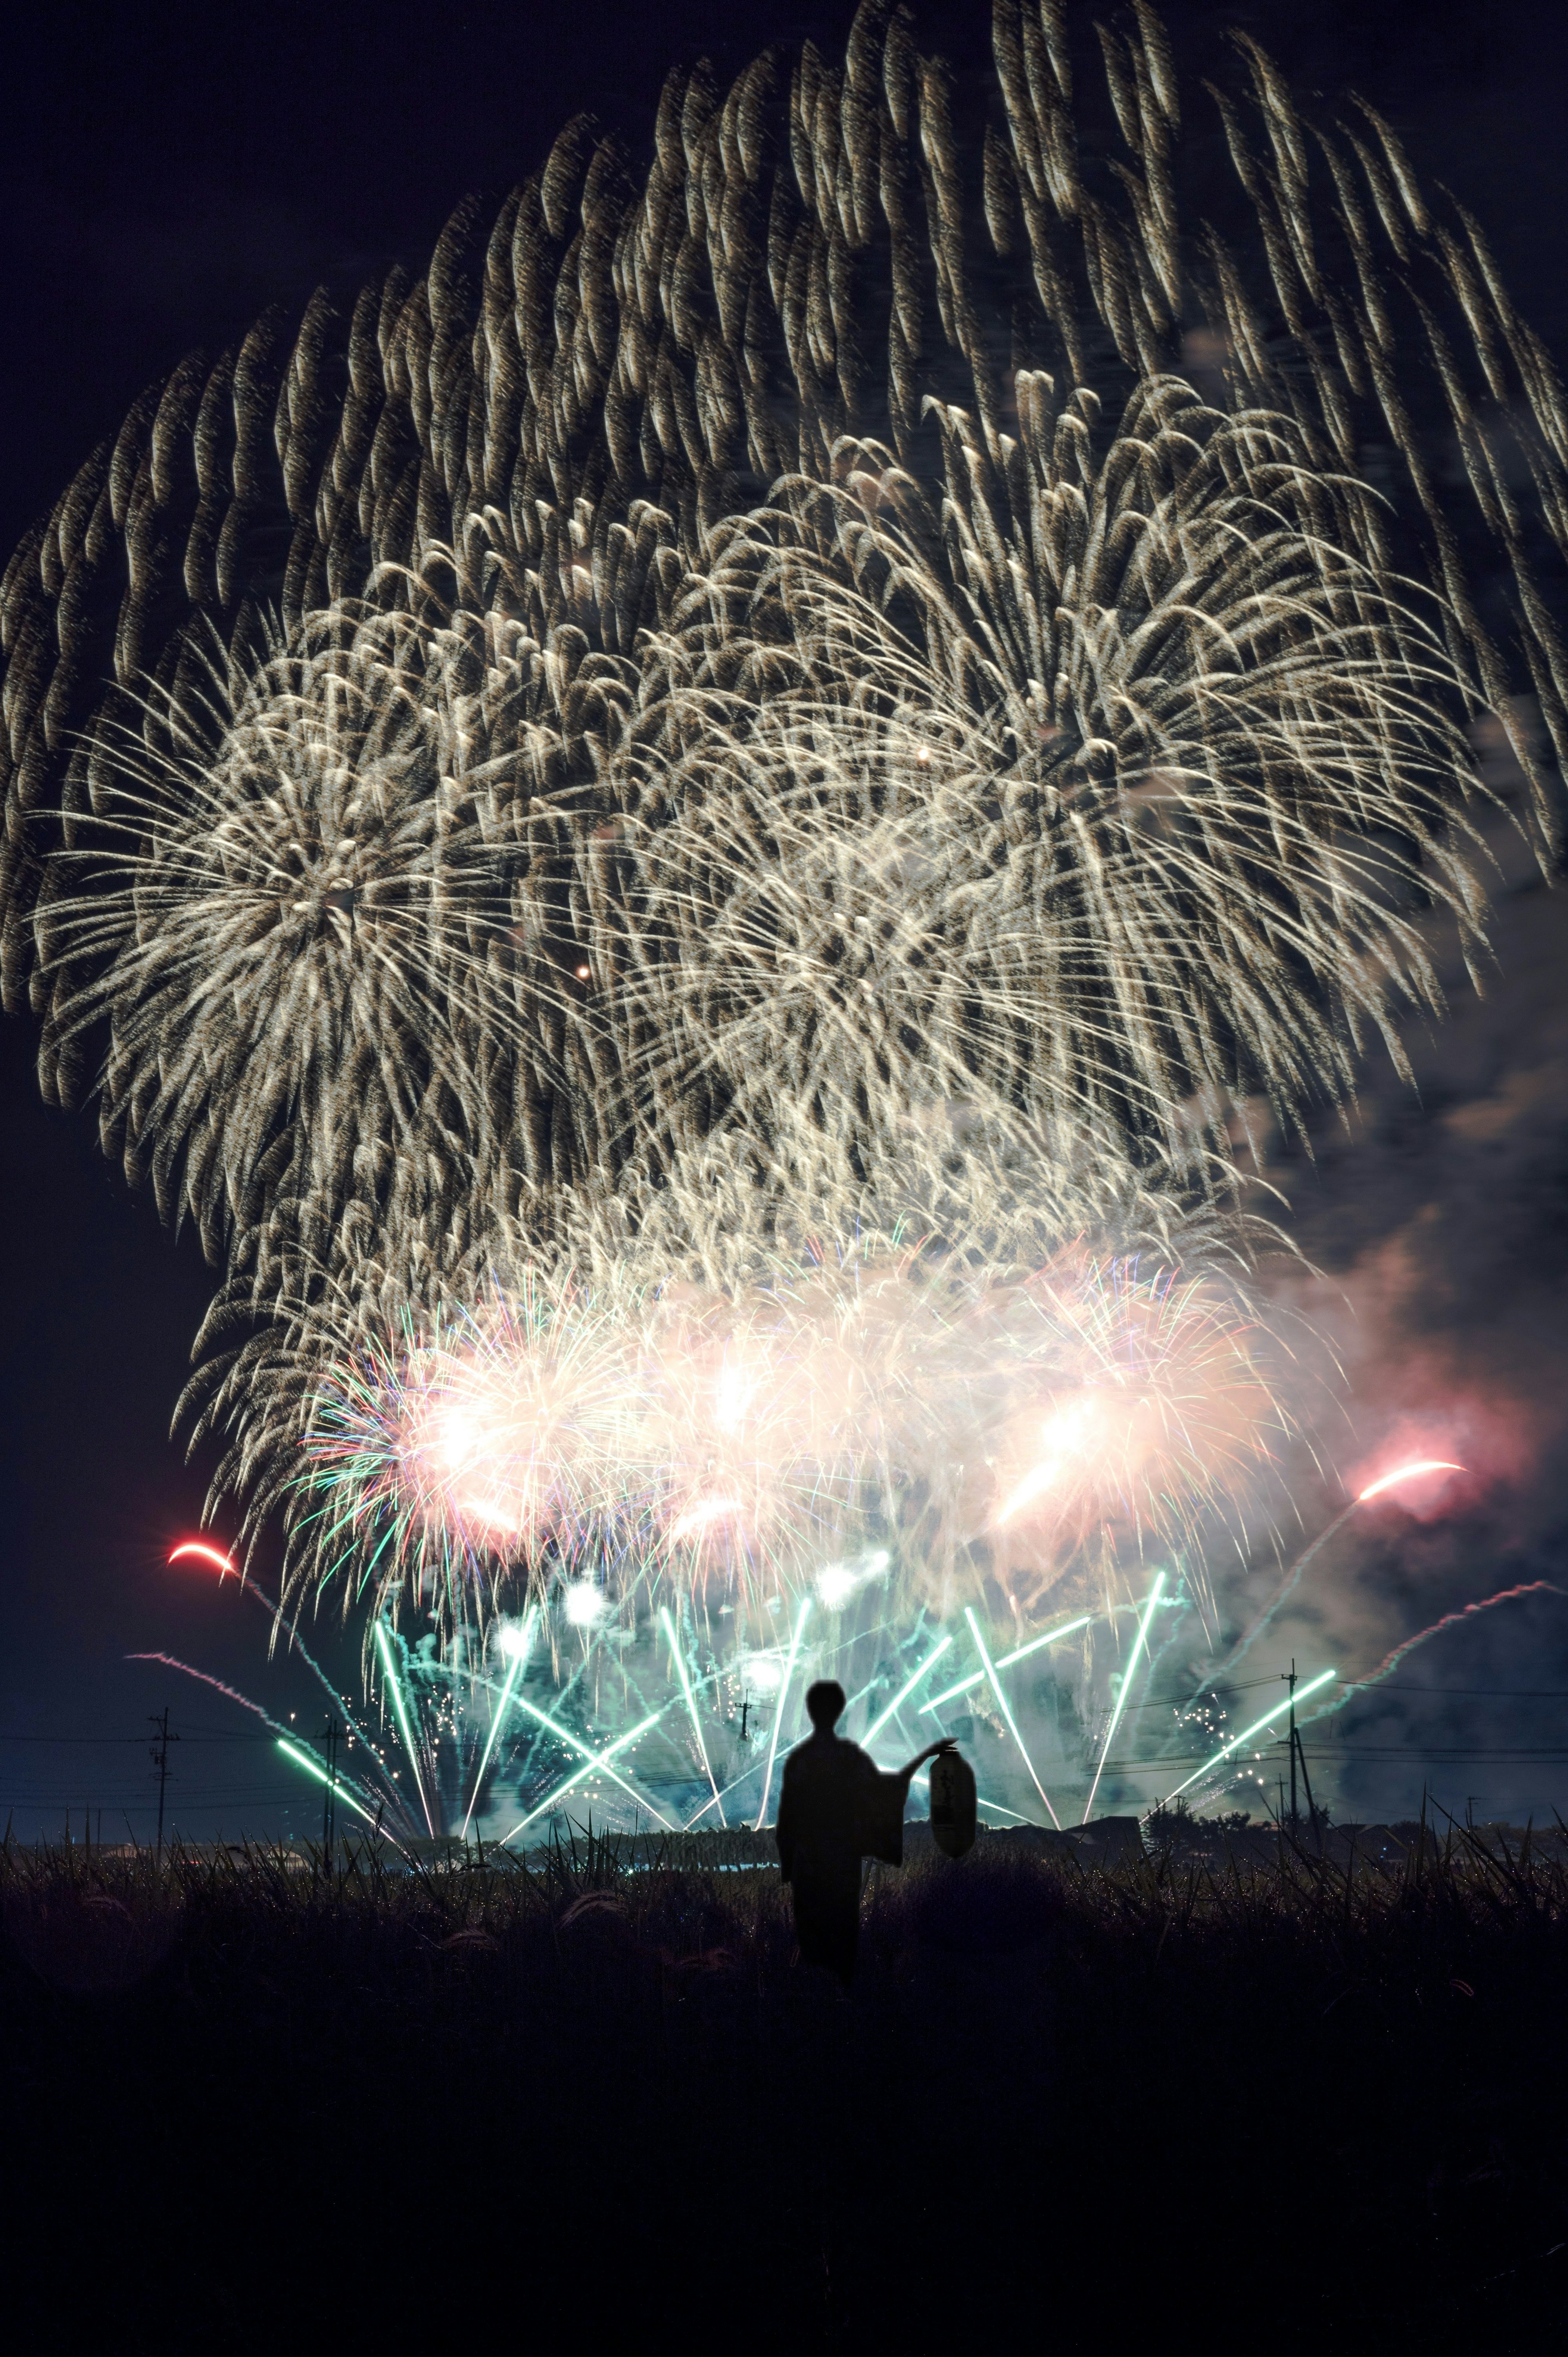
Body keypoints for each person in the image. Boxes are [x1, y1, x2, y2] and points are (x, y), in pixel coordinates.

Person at [775, 1679, 957, 1988]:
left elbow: (787, 1817)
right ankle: (843, 2005)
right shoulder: (849, 1757)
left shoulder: (800, 1760)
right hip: (842, 1862)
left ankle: (812, 2010)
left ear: (810, 1711)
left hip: (809, 1864)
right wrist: (922, 1758)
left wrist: (789, 1865)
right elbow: (886, 1793)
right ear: (839, 1711)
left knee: (812, 1940)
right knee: (843, 1938)